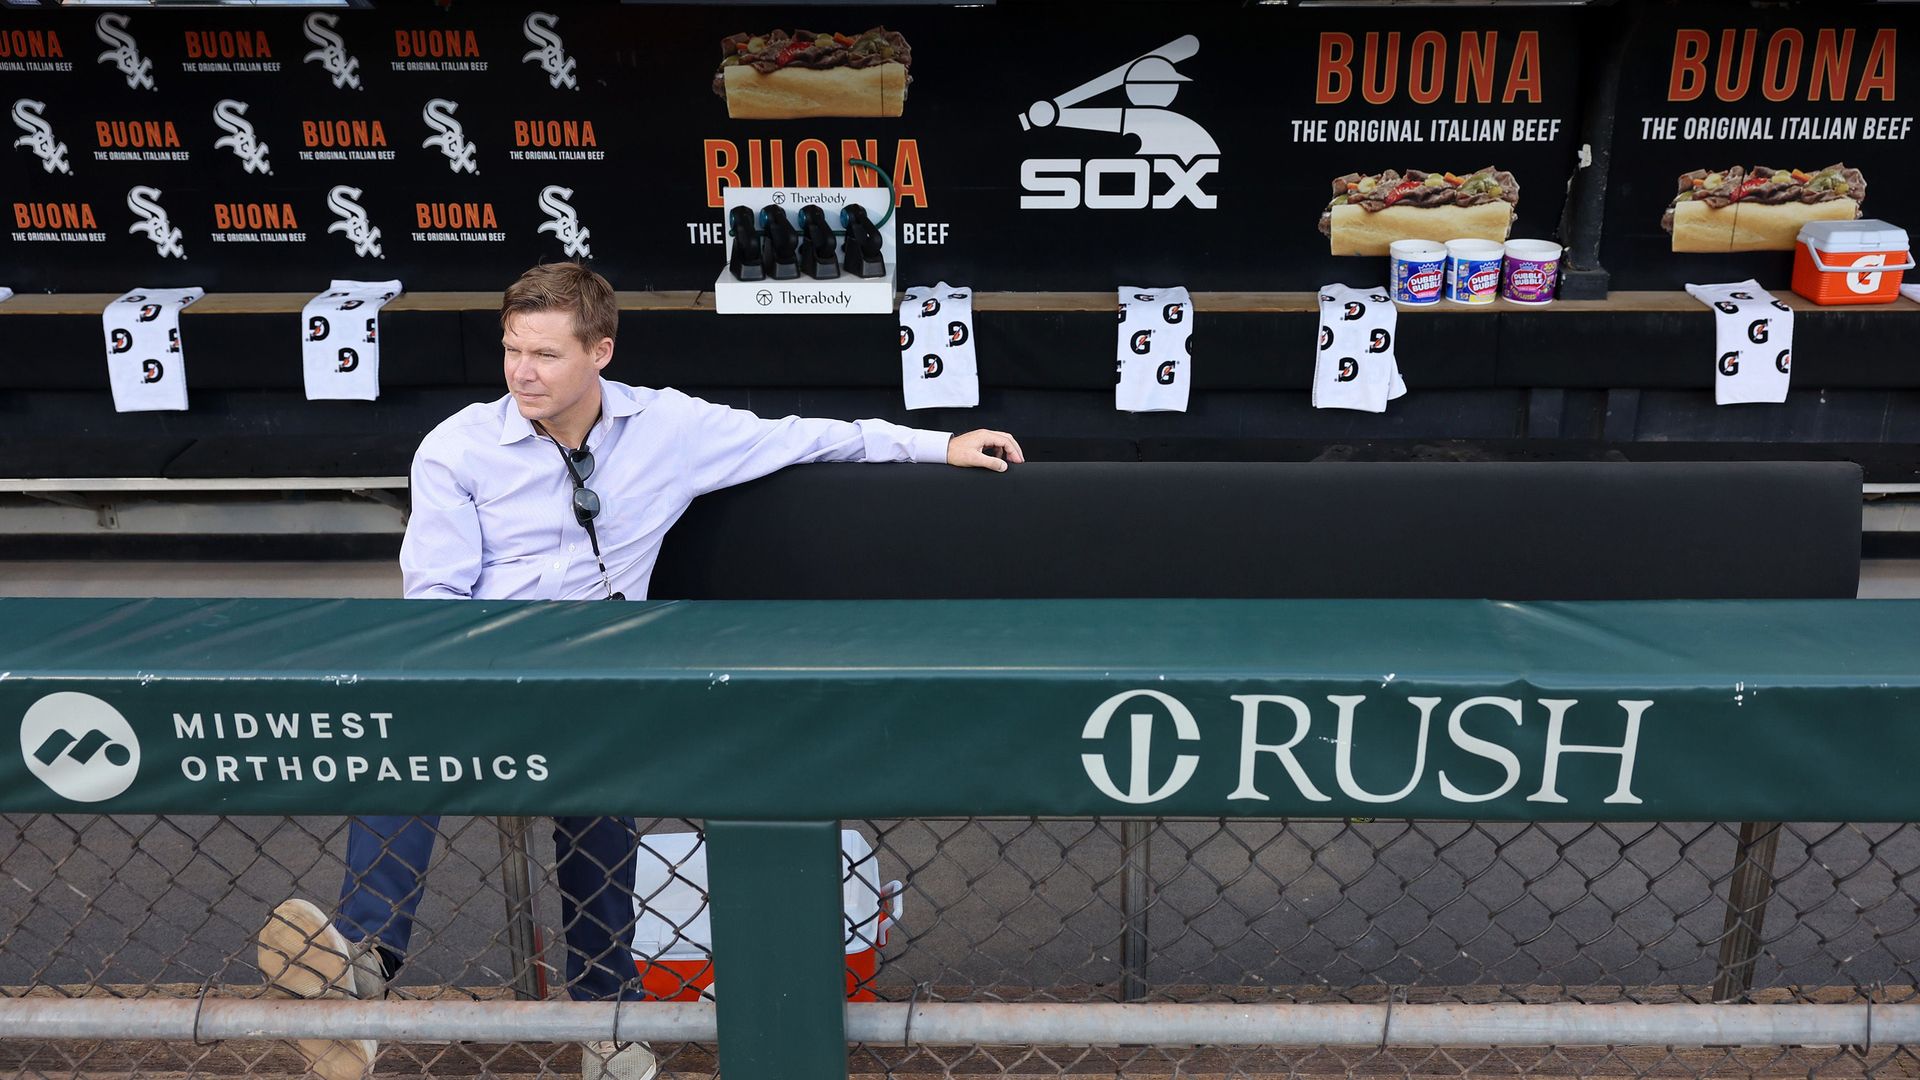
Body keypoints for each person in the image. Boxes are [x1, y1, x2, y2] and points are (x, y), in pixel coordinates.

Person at [257, 262, 1023, 1080]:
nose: (522, 370)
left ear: (601, 352)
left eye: (546, 354)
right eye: (513, 349)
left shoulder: (668, 429)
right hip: (484, 669)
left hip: (606, 678)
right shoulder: (458, 447)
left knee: (600, 783)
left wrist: (938, 445)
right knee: (408, 737)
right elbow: (436, 601)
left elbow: (803, 434)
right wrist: (477, 679)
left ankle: (608, 1014)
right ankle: (363, 965)